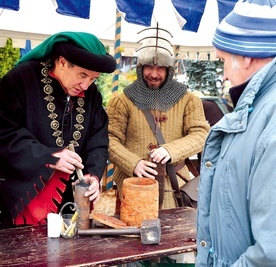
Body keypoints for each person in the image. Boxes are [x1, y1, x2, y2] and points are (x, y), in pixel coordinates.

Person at [0, 31, 116, 228]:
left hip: (69, 205)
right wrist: (49, 156)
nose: (86, 86)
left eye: (93, 79)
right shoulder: (20, 80)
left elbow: (98, 140)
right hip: (22, 202)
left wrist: (93, 175)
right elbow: (4, 133)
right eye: (83, 75)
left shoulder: (92, 95)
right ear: (62, 62)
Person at [196, 0, 276, 266]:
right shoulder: (259, 109)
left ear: (246, 56)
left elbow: (270, 252)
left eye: (223, 61)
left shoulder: (271, 120)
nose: (225, 75)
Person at [106, 28, 210, 210]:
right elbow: (108, 139)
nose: (154, 74)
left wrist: (171, 150)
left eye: (160, 68)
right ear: (140, 68)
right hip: (133, 184)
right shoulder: (122, 101)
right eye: (149, 67)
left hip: (175, 184)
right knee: (133, 232)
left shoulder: (188, 100)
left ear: (169, 70)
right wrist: (133, 163)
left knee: (175, 234)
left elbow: (201, 134)